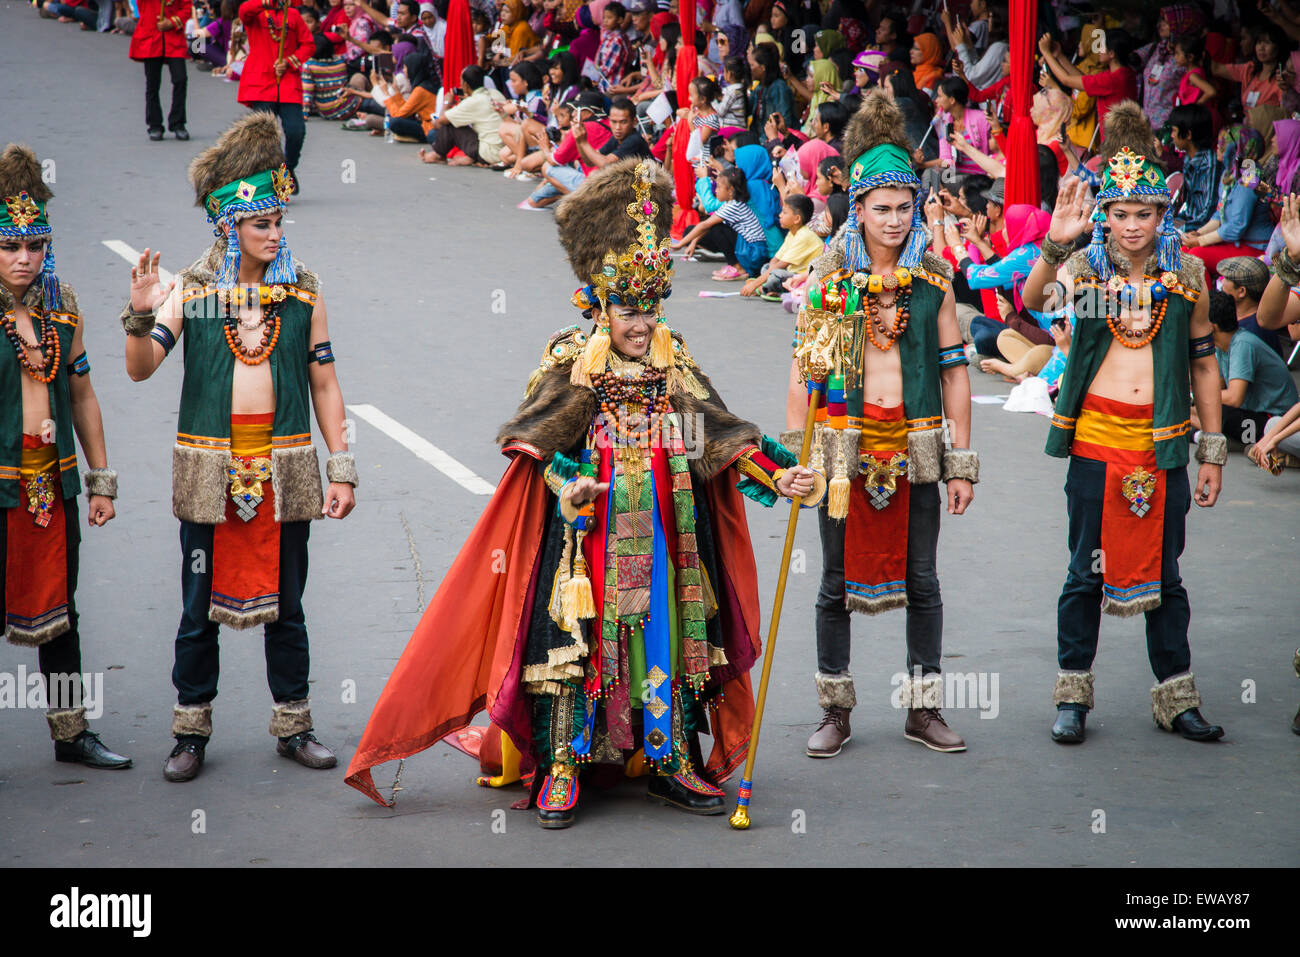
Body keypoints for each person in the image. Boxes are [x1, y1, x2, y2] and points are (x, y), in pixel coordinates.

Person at [345, 159, 817, 827]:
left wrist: (777, 472)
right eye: (629, 309)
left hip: (665, 530)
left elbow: (714, 430)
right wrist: (572, 485)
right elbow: (543, 452)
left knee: (666, 637)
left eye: (651, 307)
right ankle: (563, 762)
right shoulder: (572, 358)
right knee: (575, 644)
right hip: (583, 540)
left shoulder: (671, 358)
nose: (642, 323)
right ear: (600, 304)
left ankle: (669, 755)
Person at [121, 114, 357, 782]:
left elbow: (326, 381)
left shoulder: (303, 288)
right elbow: (141, 367)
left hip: (286, 470)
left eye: (279, 221)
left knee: (289, 604)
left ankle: (295, 724)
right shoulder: (193, 291)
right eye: (262, 224)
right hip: (209, 473)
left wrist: (341, 468)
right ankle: (190, 730)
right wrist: (142, 310)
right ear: (228, 226)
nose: (275, 233)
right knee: (198, 609)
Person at [1020, 101, 1226, 745]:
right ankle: (1073, 696)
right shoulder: (1087, 274)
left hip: (1162, 443)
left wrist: (1214, 450)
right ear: (1103, 216)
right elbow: (1031, 302)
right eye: (1120, 214)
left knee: (1166, 574)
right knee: (1086, 570)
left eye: (1144, 213)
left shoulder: (1185, 275)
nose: (1132, 225)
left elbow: (1202, 366)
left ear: (1162, 215)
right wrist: (1056, 240)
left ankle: (1176, 696)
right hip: (1095, 442)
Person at [791, 90, 977, 758]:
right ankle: (834, 709)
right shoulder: (829, 275)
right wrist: (797, 455)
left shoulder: (933, 278)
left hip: (919, 446)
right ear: (858, 208)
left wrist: (961, 460)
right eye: (881, 207)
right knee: (834, 582)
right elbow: (804, 372)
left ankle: (923, 707)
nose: (893, 220)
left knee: (923, 580)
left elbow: (956, 370)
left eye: (903, 207)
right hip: (844, 448)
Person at [0, 144, 130, 771]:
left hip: (54, 481)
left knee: (61, 611)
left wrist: (101, 479)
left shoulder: (64, 306)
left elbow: (81, 391)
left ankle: (71, 733)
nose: (24, 259)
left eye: (35, 245)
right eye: (10, 246)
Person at [1203, 288, 1299, 446]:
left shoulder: (1242, 344)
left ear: (1212, 327)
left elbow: (1234, 398)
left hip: (1275, 417)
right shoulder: (1221, 346)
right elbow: (1217, 387)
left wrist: (1198, 397)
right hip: (1252, 411)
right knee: (1195, 408)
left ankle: (1203, 435)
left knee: (1219, 413)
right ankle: (1203, 434)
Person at [237, 0, 314, 191]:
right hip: (261, 83)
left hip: (288, 83)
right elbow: (243, 11)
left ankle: (288, 169)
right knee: (263, 137)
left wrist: (289, 61)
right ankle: (266, 181)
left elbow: (308, 45)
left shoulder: (293, 15)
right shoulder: (256, 12)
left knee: (297, 131)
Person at [1039, 28, 1138, 138]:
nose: (1098, 50)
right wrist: (1059, 56)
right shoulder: (1126, 74)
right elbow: (1082, 79)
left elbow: (1065, 79)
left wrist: (1045, 52)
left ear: (1111, 54)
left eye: (1101, 46)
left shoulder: (1112, 80)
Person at [418, 64, 509, 166]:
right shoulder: (496, 93)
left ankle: (438, 155)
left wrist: (447, 103)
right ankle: (467, 157)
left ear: (465, 84)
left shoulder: (472, 101)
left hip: (489, 153)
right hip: (506, 149)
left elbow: (439, 123)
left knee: (449, 125)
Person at [128, 0, 192, 141]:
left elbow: (187, 7)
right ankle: (154, 124)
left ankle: (178, 123)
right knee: (152, 83)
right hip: (151, 35)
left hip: (173, 36)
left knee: (180, 79)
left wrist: (172, 22)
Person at [740, 193, 820, 299]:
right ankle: (770, 288)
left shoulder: (804, 236)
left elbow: (780, 265)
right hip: (791, 272)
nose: (780, 215)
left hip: (803, 278)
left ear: (797, 219)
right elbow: (775, 260)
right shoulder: (793, 233)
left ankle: (763, 289)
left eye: (784, 212)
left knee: (776, 275)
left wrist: (754, 284)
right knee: (767, 267)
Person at [1168, 104, 1221, 232]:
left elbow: (1208, 212)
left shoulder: (1209, 163)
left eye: (1174, 130)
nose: (1171, 136)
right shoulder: (1188, 159)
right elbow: (1189, 209)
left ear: (1188, 134)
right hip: (1190, 225)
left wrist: (1178, 230)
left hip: (1204, 230)